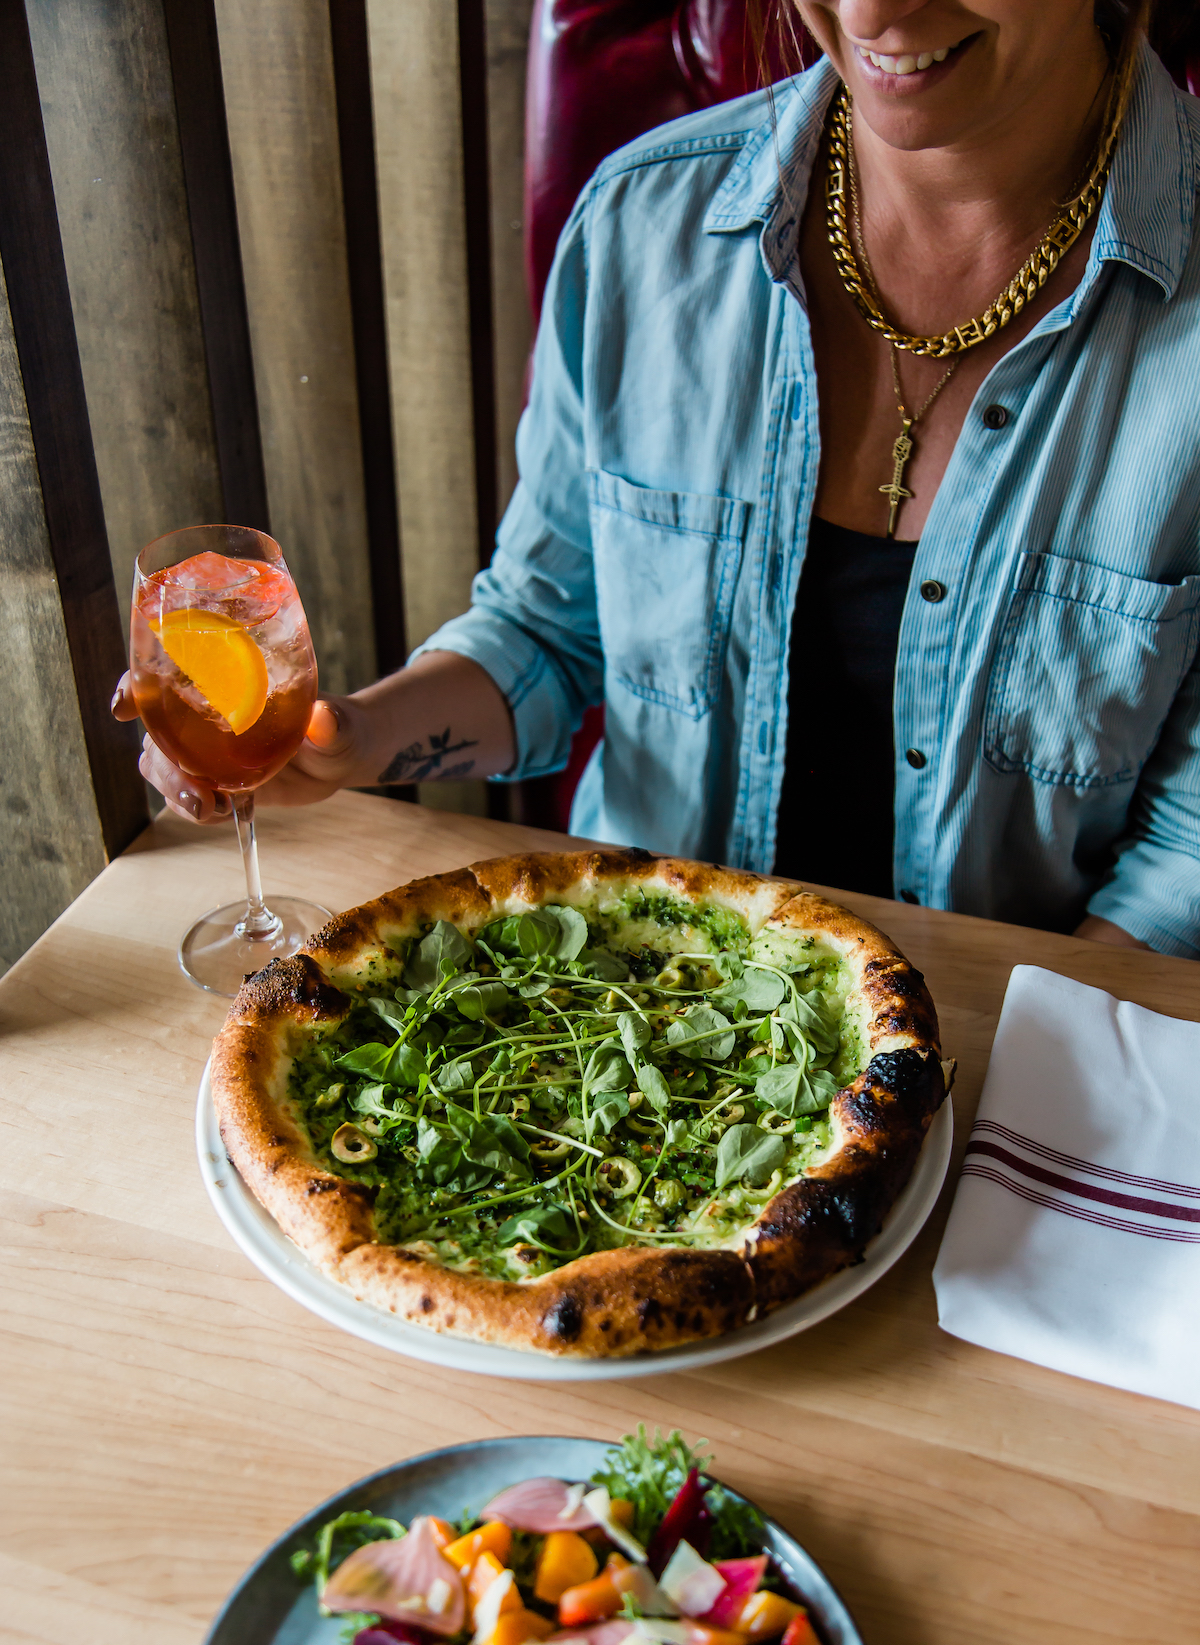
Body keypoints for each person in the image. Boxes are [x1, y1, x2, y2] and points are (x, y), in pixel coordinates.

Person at [116, 0, 1200, 956]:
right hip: (637, 1019)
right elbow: (547, 630)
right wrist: (348, 739)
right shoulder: (641, 224)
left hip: (1025, 1044)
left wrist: (1026, 1065)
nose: (872, 12)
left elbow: (1189, 848)